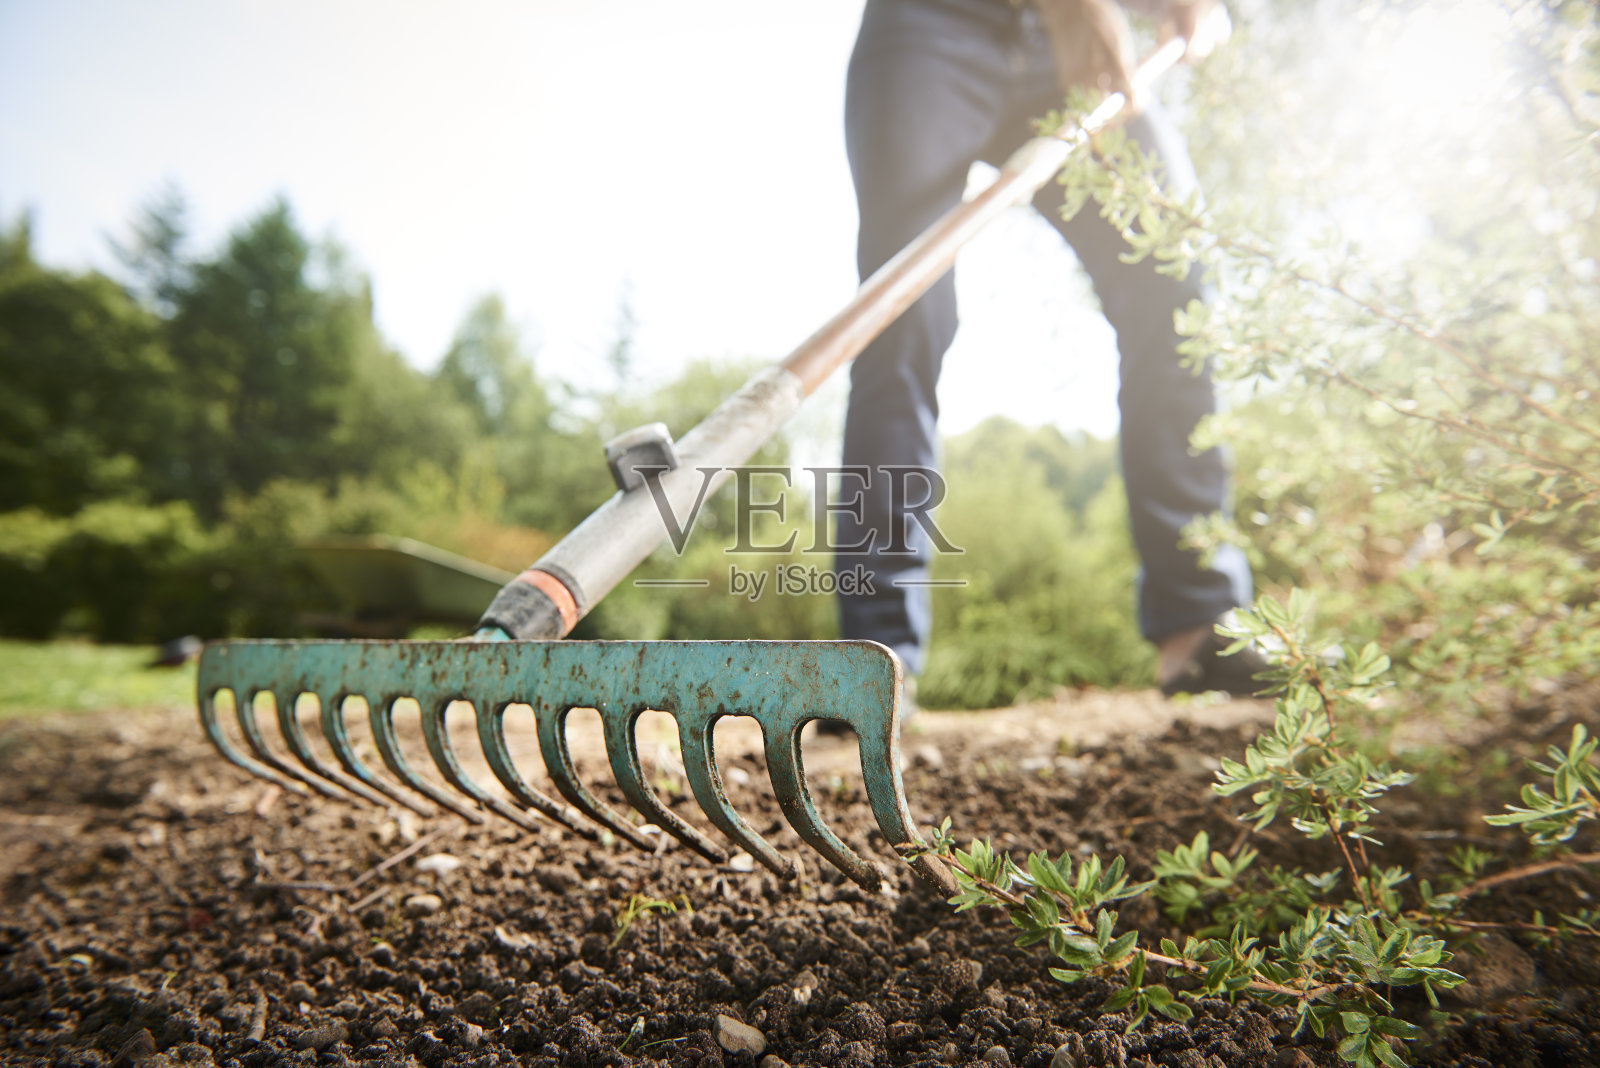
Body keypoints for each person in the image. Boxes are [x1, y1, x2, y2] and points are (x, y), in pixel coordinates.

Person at [835, 0, 1263, 697]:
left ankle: (1199, 621)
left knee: (1174, 279)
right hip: (928, 26)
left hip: (1055, 44)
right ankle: (875, 657)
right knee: (903, 317)